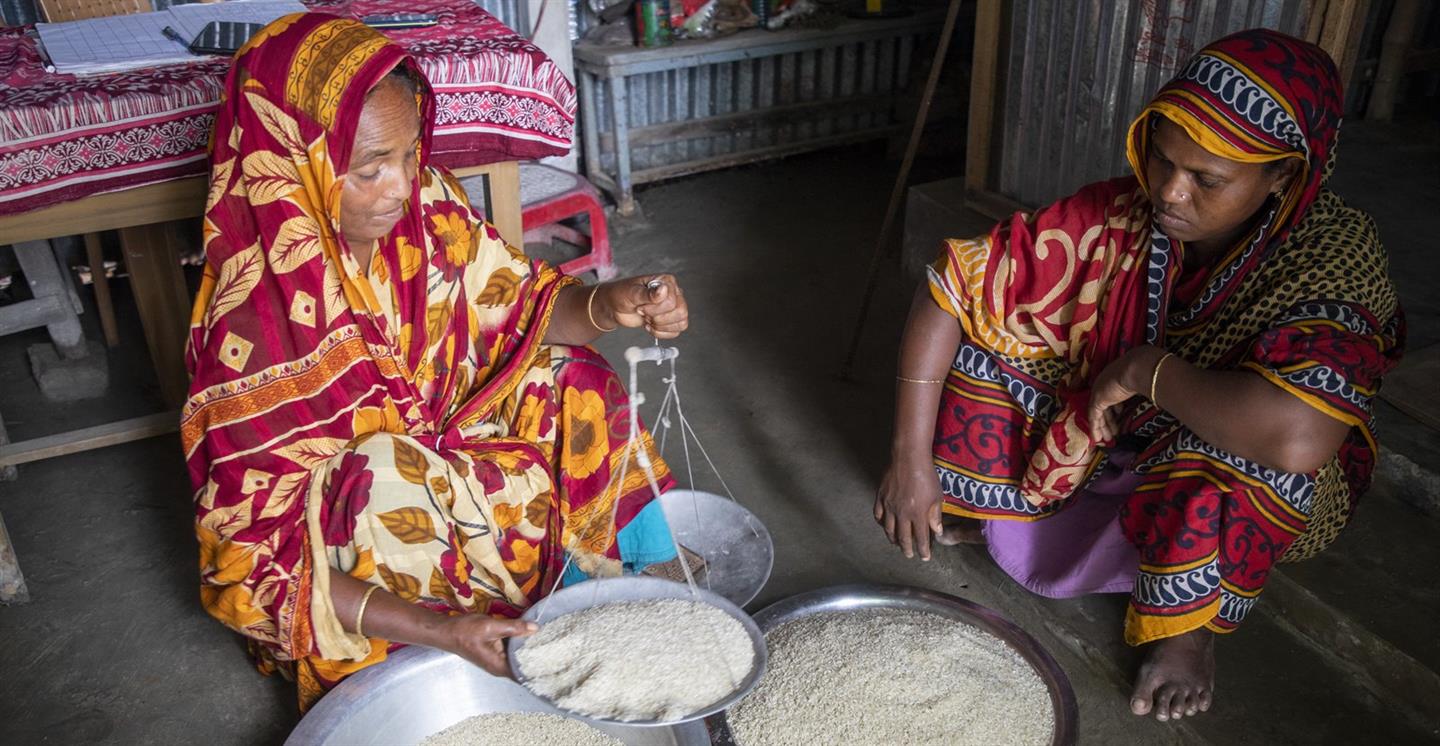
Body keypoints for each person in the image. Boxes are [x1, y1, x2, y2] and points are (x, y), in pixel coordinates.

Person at [875, 29, 1404, 723]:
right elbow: (949, 288)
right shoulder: (1119, 213)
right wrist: (910, 461)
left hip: (1227, 449)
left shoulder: (1334, 257)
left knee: (1252, 454)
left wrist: (1144, 370)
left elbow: (1299, 438)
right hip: (1114, 426)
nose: (1169, 192)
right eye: (1161, 157)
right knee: (987, 345)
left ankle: (1186, 633)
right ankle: (1013, 514)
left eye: (1207, 180)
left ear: (1284, 175)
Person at [183, 14, 690, 710]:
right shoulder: (253, 332)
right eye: (369, 170)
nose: (400, 187)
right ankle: (462, 639)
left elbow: (526, 309)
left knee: (573, 375)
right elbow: (247, 568)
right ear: (292, 163)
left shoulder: (425, 210)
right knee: (384, 479)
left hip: (456, 448)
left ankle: (634, 578)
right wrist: (442, 631)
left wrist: (613, 303)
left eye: (410, 153)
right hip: (370, 532)